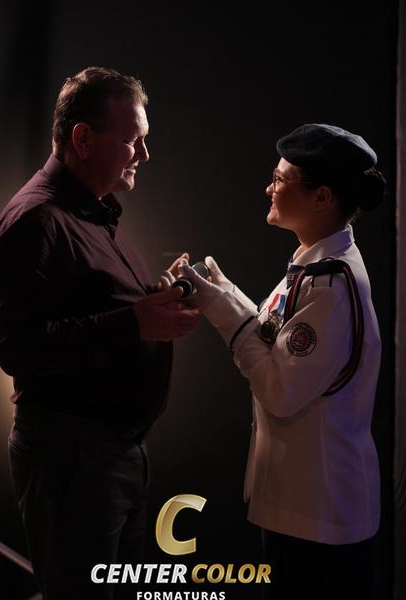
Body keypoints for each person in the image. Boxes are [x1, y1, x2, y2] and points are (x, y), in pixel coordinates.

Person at [0, 66, 199, 600]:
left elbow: (94, 303)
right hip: (74, 462)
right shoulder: (34, 221)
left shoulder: (91, 211)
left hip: (111, 458)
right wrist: (136, 321)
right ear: (83, 139)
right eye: (133, 141)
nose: (144, 155)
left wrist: (154, 295)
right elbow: (19, 349)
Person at [173, 124, 386, 599]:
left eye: (280, 179)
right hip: (304, 507)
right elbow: (275, 338)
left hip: (320, 518)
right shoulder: (313, 267)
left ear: (321, 197)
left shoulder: (332, 287)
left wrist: (218, 307)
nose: (269, 188)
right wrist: (222, 291)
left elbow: (280, 390)